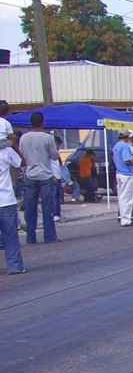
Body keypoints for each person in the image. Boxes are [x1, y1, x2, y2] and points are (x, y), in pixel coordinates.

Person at [19, 112, 60, 242]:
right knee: (47, 208)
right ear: (42, 122)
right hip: (45, 175)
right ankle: (49, 236)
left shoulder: (24, 138)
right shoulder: (47, 138)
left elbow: (22, 153)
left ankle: (31, 237)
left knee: (30, 208)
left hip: (30, 174)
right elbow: (54, 156)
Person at [0, 138, 25, 274]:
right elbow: (20, 163)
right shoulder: (7, 151)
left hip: (6, 200)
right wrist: (12, 144)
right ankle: (15, 266)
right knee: (10, 235)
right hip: (6, 200)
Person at [112, 130, 133, 227]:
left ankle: (123, 217)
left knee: (121, 197)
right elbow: (127, 160)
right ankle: (126, 220)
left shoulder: (116, 146)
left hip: (119, 173)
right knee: (128, 197)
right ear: (127, 137)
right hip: (126, 173)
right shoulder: (125, 146)